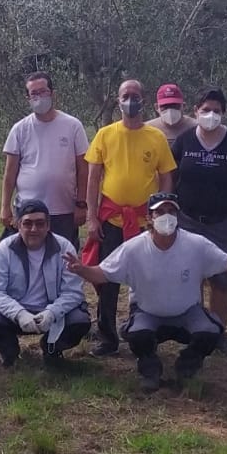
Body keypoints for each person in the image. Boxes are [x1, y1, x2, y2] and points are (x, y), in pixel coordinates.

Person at [64, 193, 227, 391]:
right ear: (149, 217)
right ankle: (150, 370)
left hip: (187, 312)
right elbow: (102, 273)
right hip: (148, 312)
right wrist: (81, 269)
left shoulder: (196, 244)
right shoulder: (133, 248)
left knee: (211, 331)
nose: (167, 216)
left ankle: (187, 366)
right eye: (160, 212)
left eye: (171, 211)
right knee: (138, 335)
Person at [84, 79, 177, 355]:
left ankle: (141, 333)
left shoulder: (156, 137)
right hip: (111, 219)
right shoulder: (105, 134)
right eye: (126, 96)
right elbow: (93, 179)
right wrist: (91, 217)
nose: (130, 100)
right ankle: (107, 337)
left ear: (143, 100)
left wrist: (161, 213)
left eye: (135, 96)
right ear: (118, 100)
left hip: (144, 222)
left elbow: (166, 177)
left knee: (145, 278)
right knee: (107, 278)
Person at [169, 88, 227, 356]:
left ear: (224, 113)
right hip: (188, 220)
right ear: (195, 111)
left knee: (222, 278)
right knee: (190, 277)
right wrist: (167, 211)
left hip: (224, 221)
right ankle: (196, 329)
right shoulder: (184, 141)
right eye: (206, 110)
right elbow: (170, 177)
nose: (211, 115)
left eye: (216, 111)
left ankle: (218, 331)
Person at [0, 199, 91, 367]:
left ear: (48, 226)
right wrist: (19, 313)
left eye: (40, 224)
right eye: (27, 223)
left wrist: (52, 312)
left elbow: (73, 292)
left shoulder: (64, 247)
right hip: (16, 311)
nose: (34, 229)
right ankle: (9, 352)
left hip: (52, 312)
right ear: (18, 225)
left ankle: (51, 348)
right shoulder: (5, 248)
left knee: (80, 321)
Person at [0, 71, 89, 248]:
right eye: (34, 93)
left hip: (63, 211)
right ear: (28, 98)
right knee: (23, 256)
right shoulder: (19, 129)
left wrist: (81, 204)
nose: (39, 97)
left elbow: (83, 169)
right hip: (28, 210)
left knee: (63, 256)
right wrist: (5, 206)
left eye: (43, 91)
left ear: (53, 94)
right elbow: (10, 173)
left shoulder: (73, 126)